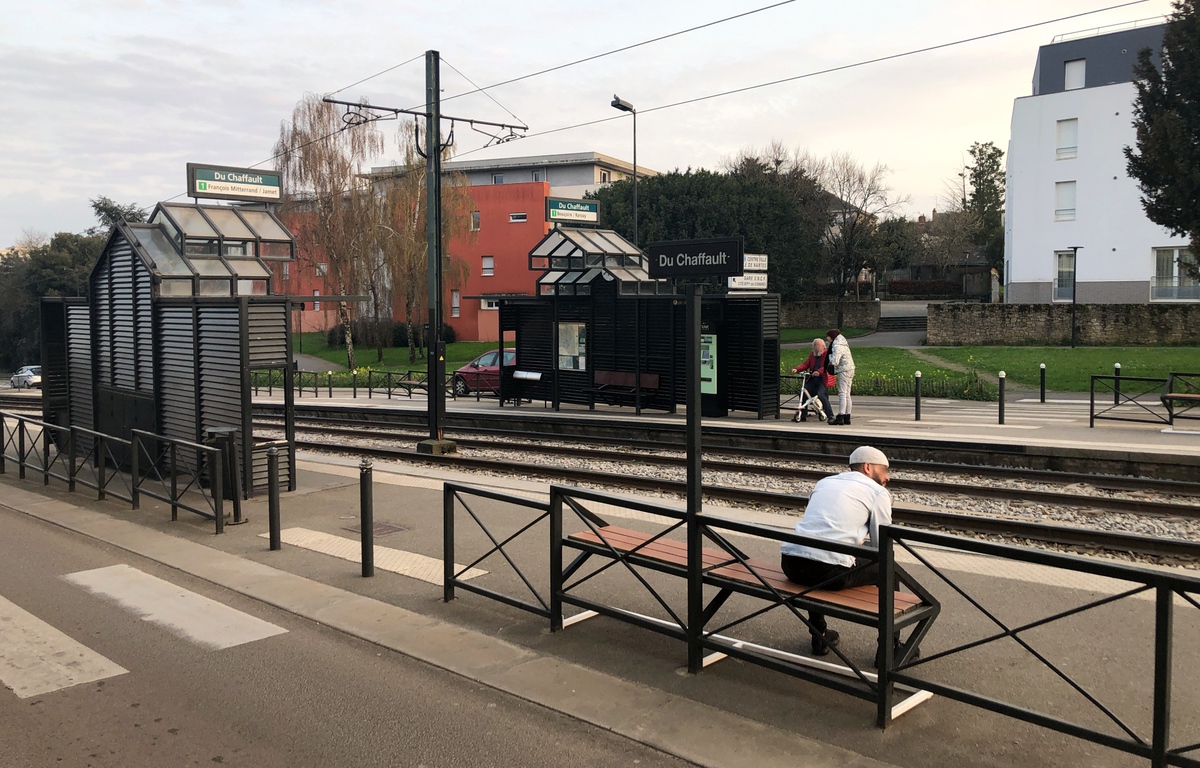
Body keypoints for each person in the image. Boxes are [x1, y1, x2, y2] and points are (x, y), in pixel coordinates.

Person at [780, 446, 891, 656]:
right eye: (884, 470)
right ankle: (889, 648)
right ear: (868, 467)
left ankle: (819, 634)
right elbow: (881, 547)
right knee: (889, 570)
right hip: (829, 572)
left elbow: (820, 527)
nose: (888, 477)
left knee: (819, 553)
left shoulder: (824, 482)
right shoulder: (878, 492)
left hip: (791, 563)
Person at [790, 338, 834, 423]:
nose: (815, 347)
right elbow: (806, 364)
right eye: (814, 345)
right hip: (813, 379)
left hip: (823, 379)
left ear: (823, 346)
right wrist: (797, 369)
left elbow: (827, 366)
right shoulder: (812, 355)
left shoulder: (827, 354)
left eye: (817, 345)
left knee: (821, 395)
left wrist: (819, 372)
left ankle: (830, 415)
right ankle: (802, 415)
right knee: (803, 393)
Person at [826, 329, 855, 425]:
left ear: (832, 337)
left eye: (828, 336)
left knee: (842, 393)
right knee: (847, 393)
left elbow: (835, 361)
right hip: (850, 368)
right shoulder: (844, 343)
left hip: (843, 369)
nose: (827, 338)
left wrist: (829, 358)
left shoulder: (837, 345)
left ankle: (841, 416)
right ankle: (848, 416)